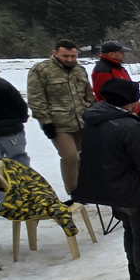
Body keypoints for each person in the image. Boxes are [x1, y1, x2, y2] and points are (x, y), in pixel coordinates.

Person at [72, 78, 140, 280]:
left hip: (109, 186)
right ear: (131, 100)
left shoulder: (95, 119)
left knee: (131, 231)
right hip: (131, 188)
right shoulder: (130, 126)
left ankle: (137, 274)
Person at [27, 39, 96, 195]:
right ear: (55, 53)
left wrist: (93, 113)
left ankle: (87, 186)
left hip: (81, 121)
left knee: (85, 156)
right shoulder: (41, 70)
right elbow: (36, 98)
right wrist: (45, 122)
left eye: (73, 56)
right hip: (58, 123)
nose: (70, 59)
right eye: (65, 56)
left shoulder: (80, 70)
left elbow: (88, 96)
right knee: (70, 157)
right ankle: (74, 191)